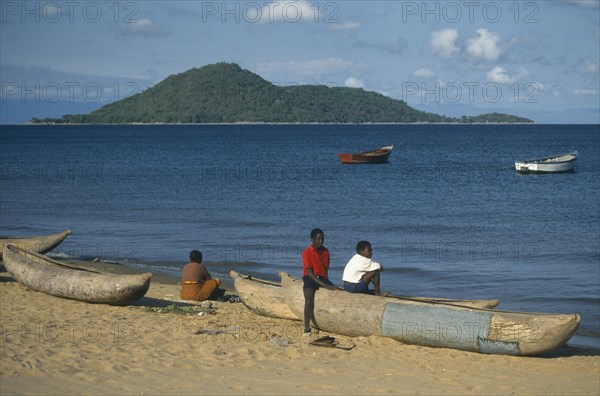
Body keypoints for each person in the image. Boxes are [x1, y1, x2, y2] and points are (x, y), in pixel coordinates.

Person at [302, 228, 338, 335]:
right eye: (318, 239)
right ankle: (307, 327)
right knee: (309, 299)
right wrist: (325, 286)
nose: (321, 241)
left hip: (322, 277)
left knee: (337, 291)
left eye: (322, 239)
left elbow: (325, 270)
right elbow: (310, 273)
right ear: (313, 239)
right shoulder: (306, 252)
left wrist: (327, 283)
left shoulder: (326, 252)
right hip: (310, 278)